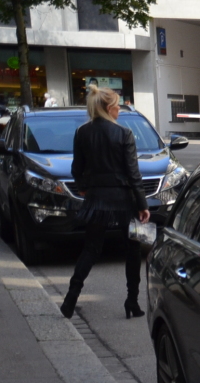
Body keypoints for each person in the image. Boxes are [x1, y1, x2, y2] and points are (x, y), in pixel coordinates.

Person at [62, 86, 150, 320]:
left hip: (96, 199)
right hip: (124, 200)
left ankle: (71, 297)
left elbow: (75, 169)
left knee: (91, 248)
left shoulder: (82, 132)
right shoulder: (124, 134)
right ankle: (132, 301)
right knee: (132, 249)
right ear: (109, 108)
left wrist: (83, 185)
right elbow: (134, 174)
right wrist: (143, 205)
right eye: (118, 106)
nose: (119, 110)